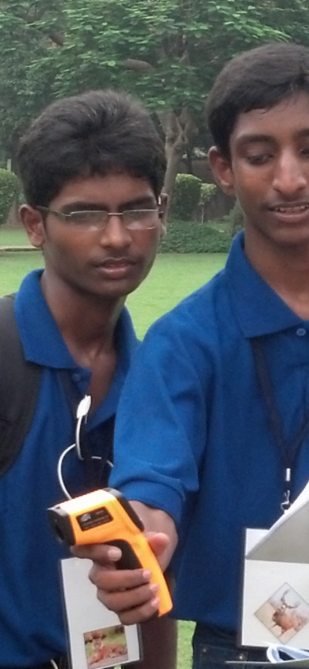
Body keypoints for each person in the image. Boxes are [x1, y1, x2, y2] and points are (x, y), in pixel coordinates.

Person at [79, 43, 309, 667]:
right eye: (259, 156)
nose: (289, 178)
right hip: (242, 650)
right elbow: (153, 487)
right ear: (223, 168)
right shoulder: (185, 339)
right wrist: (147, 537)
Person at [0, 90, 175, 669]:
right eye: (84, 214)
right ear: (34, 224)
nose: (118, 237)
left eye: (137, 209)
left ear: (163, 212)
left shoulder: (161, 377)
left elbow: (154, 577)